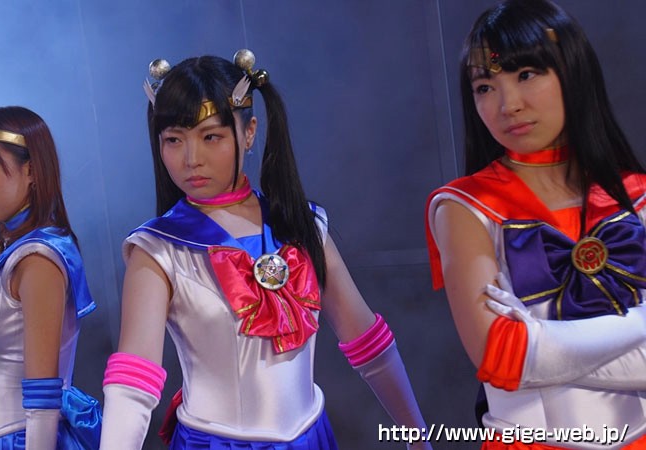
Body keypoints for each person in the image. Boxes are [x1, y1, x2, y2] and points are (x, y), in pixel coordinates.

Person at [98, 50, 431, 450]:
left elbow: (368, 343)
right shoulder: (156, 250)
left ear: (249, 132)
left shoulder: (304, 224)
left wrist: (418, 438)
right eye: (173, 140)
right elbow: (132, 388)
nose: (191, 159)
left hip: (313, 439)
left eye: (210, 137)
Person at [425, 0, 646, 448]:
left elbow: (525, 354)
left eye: (526, 74)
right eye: (485, 86)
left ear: (572, 71)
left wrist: (539, 343)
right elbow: (501, 356)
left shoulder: (637, 193)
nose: (508, 104)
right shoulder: (464, 207)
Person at [0, 106, 101, 449]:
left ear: (30, 170)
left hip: (28, 438)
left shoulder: (37, 261)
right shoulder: (23, 251)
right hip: (14, 434)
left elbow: (42, 392)